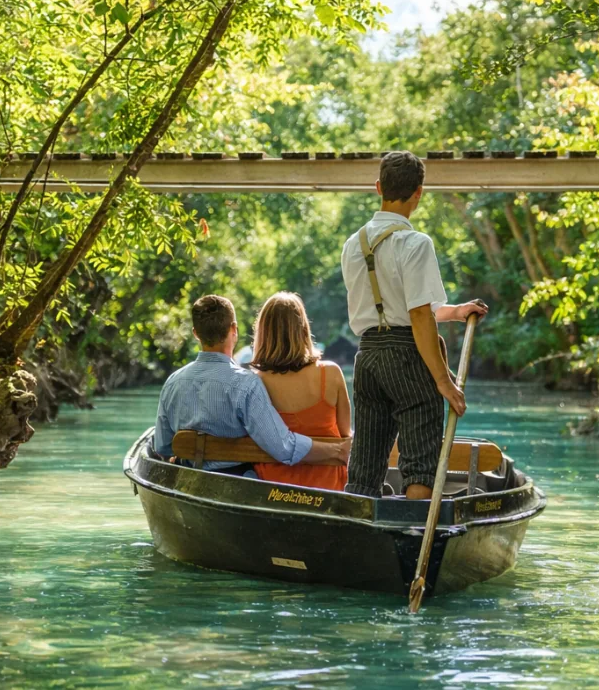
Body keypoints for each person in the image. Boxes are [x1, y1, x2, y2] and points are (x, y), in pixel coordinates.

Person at [340, 151, 489, 499]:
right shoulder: (415, 243)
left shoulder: (352, 245)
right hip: (408, 354)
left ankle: (360, 527)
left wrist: (456, 311)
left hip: (368, 356)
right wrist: (443, 381)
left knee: (366, 460)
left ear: (378, 187)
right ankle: (414, 533)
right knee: (420, 457)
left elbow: (408, 308)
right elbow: (417, 316)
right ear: (419, 193)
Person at [153, 294, 350, 476]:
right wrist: (339, 450)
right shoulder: (246, 384)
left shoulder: (173, 382)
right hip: (240, 479)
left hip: (190, 475)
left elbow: (162, 446)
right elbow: (282, 447)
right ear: (234, 330)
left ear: (196, 334)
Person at [250, 292, 350, 491]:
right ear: (303, 329)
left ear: (263, 332)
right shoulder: (331, 373)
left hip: (274, 488)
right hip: (328, 485)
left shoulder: (255, 383)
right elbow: (345, 434)